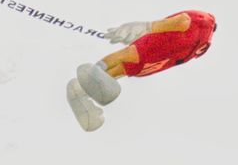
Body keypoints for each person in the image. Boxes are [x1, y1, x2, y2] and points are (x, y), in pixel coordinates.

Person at [66, 10, 217, 132]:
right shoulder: (203, 28)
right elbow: (182, 22)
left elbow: (181, 21)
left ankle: (81, 91)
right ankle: (97, 70)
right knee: (126, 57)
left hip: (158, 55)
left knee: (126, 63)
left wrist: (146, 28)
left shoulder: (201, 28)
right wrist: (145, 27)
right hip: (158, 53)